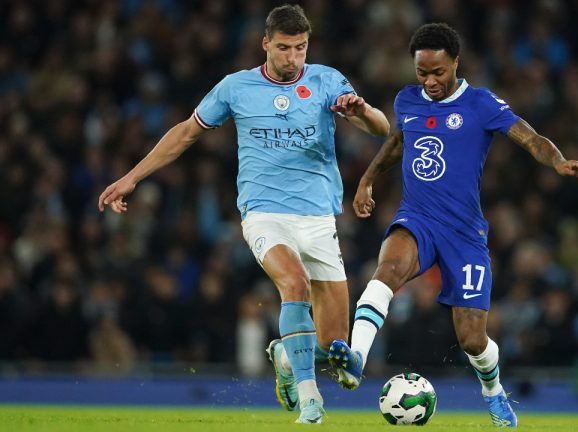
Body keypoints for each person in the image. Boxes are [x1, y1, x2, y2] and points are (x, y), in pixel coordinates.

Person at [98, 4, 389, 424]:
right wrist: (132, 177)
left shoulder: (327, 80)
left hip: (319, 218)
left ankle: (286, 358)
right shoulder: (236, 87)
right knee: (295, 282)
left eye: (301, 48)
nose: (293, 58)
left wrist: (361, 111)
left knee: (332, 344)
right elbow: (185, 132)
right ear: (265, 44)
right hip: (263, 213)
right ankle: (310, 402)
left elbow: (381, 127)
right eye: (285, 48)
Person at [328, 23, 578, 427]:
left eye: (437, 72)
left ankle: (493, 390)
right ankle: (357, 357)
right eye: (422, 73)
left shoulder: (482, 104)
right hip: (417, 217)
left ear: (455, 64)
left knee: (472, 339)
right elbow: (399, 141)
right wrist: (366, 179)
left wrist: (558, 161)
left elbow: (531, 138)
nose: (429, 81)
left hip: (465, 233)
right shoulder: (407, 100)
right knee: (389, 269)